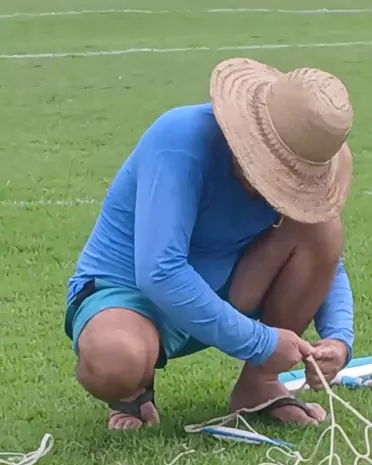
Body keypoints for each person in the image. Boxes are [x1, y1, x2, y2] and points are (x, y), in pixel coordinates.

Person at [65, 58, 354, 430]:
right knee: (115, 358)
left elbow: (325, 253)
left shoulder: (299, 164)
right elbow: (159, 272)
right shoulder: (178, 140)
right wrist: (262, 342)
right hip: (128, 292)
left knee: (324, 228)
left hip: (226, 288)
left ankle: (260, 384)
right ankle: (132, 393)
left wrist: (338, 339)